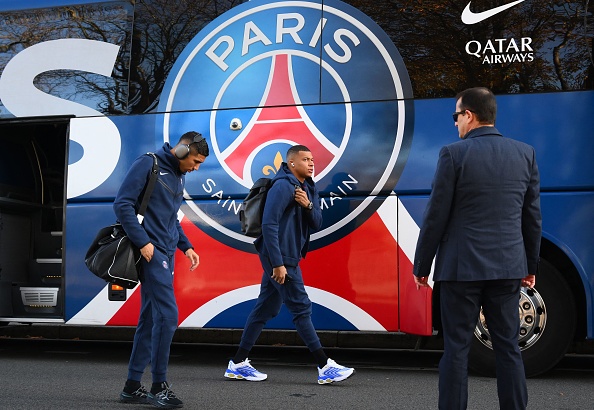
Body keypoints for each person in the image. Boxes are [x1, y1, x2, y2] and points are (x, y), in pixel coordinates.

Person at [413, 87, 541, 410]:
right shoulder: (525, 154)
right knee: (508, 347)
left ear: (469, 115)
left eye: (456, 117)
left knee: (456, 349)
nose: (455, 124)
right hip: (508, 268)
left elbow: (435, 216)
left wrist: (422, 267)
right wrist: (530, 266)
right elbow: (532, 217)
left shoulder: (453, 154)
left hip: (461, 270)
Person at [224, 145, 355, 384]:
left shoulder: (307, 189)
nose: (311, 163)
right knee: (301, 308)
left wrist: (308, 205)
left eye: (312, 159)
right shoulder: (283, 185)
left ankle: (238, 363)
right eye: (305, 159)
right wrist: (277, 264)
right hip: (281, 258)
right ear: (292, 163)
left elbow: (316, 223)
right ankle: (325, 366)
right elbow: (269, 226)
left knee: (265, 309)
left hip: (288, 256)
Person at [115, 131, 208, 408]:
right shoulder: (148, 163)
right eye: (195, 160)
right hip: (151, 252)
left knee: (150, 319)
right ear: (181, 151)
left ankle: (132, 387)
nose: (196, 167)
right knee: (168, 316)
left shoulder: (178, 175)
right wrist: (142, 241)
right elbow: (122, 205)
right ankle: (159, 386)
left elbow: (170, 218)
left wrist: (186, 246)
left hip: (167, 252)